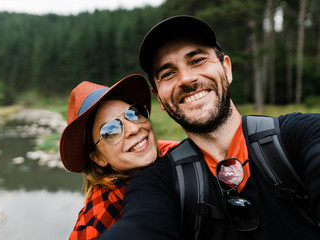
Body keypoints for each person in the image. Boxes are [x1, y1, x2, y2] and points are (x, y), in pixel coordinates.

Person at [100, 15, 320, 239]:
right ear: (159, 98)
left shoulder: (300, 135)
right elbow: (140, 225)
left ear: (227, 68)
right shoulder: (157, 182)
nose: (186, 79)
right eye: (168, 73)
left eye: (197, 60)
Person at [59, 74, 179, 240]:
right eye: (111, 130)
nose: (134, 129)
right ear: (98, 158)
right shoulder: (96, 223)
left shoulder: (176, 151)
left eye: (134, 114)